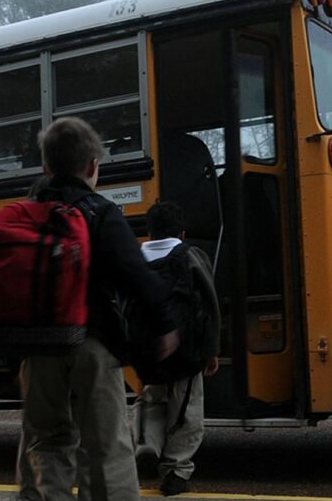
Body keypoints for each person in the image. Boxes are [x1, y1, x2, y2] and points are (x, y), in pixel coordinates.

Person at [16, 117, 178, 501]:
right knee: (106, 445)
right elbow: (135, 274)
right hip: (92, 342)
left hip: (37, 348)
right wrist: (164, 325)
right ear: (92, 167)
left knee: (45, 442)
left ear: (46, 167)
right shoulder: (100, 212)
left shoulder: (25, 215)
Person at [131, 201, 220, 496]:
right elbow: (210, 304)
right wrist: (211, 350)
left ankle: (147, 445)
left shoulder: (135, 258)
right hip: (186, 352)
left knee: (152, 400)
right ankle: (177, 471)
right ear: (181, 232)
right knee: (186, 410)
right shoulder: (191, 255)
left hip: (148, 352)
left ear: (149, 230)